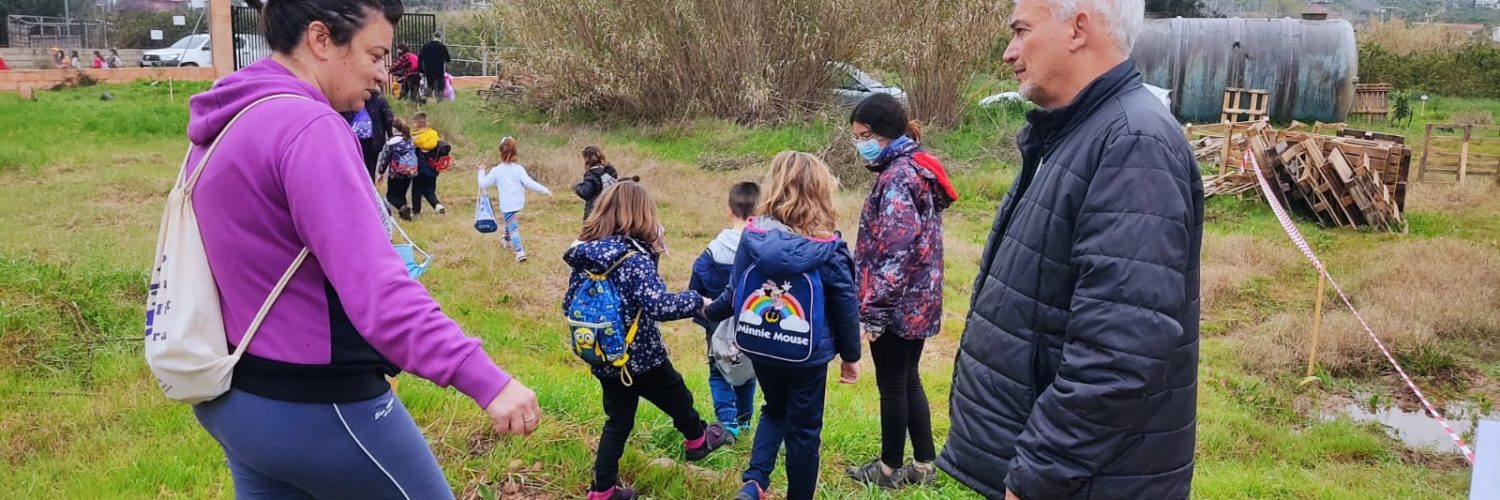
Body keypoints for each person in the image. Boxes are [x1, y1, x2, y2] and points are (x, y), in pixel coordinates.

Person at [182, 0, 542, 498]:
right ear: (321, 39)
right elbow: (379, 291)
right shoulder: (309, 128)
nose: (382, 76)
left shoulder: (227, 119)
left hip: (236, 398)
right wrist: (486, 380)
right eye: (375, 55)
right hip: (317, 404)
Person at [937, 0, 1203, 498]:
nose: (1009, 52)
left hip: (1086, 482)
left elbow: (1121, 346)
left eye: (1021, 31)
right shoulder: (1078, 130)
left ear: (1078, 28)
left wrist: (1041, 473)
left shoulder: (1132, 142)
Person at [704, 151, 862, 500]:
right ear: (822, 192)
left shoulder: (753, 235)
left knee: (774, 408)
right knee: (804, 431)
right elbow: (845, 303)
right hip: (808, 353)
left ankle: (755, 482)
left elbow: (734, 293)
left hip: (761, 344)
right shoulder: (829, 245)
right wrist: (851, 356)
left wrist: (705, 310)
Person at [563, 181, 730, 500]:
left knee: (618, 421)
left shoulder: (584, 256)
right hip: (642, 356)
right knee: (678, 395)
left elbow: (567, 304)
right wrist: (699, 301)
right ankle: (697, 440)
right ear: (642, 215)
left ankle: (602, 491)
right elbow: (658, 305)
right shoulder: (633, 258)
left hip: (604, 356)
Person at [844, 93, 956, 489]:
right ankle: (924, 464)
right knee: (908, 379)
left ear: (880, 133)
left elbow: (896, 248)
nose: (859, 145)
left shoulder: (896, 178)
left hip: (896, 303)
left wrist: (874, 310)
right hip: (919, 299)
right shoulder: (916, 168)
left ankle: (889, 469)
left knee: (892, 384)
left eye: (862, 136)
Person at [687, 181, 761, 441]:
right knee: (748, 371)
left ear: (729, 210)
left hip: (717, 321)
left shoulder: (715, 247)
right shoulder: (763, 247)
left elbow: (697, 280)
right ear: (760, 210)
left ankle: (727, 422)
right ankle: (745, 420)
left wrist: (703, 313)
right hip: (752, 323)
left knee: (718, 369)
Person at [478, 136, 553, 262]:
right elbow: (530, 183)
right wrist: (545, 190)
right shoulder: (518, 169)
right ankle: (506, 239)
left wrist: (481, 171)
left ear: (500, 152)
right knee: (510, 220)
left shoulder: (497, 171)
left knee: (513, 227)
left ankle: (520, 251)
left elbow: (483, 184)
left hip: (507, 204)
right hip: (518, 202)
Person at [575, 146, 637, 221]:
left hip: (594, 211)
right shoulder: (610, 170)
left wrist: (577, 187)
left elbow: (586, 192)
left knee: (593, 230)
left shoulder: (592, 174)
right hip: (611, 209)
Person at [344, 90, 394, 181]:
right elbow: (388, 119)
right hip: (374, 140)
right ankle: (370, 190)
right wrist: (391, 135)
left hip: (354, 139)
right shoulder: (379, 100)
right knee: (371, 167)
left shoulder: (351, 99)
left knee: (354, 168)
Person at [380, 118, 421, 220]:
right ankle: (405, 216)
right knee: (402, 194)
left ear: (394, 129)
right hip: (409, 173)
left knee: (391, 196)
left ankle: (403, 208)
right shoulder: (409, 141)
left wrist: (381, 172)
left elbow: (385, 158)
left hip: (396, 173)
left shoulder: (391, 142)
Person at [410, 111, 446, 216]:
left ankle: (416, 211)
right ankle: (438, 206)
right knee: (430, 191)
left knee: (416, 191)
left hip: (420, 170)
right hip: (432, 169)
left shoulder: (416, 138)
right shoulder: (434, 135)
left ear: (417, 124)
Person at [418, 32, 450, 101]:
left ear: (433, 36)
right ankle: (439, 102)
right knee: (440, 88)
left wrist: (420, 69)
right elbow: (448, 59)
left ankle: (428, 100)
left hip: (428, 69)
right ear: (440, 37)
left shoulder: (426, 46)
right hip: (439, 70)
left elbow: (420, 57)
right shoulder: (442, 46)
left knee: (429, 86)